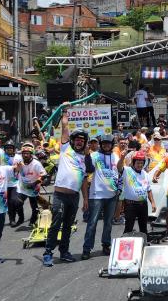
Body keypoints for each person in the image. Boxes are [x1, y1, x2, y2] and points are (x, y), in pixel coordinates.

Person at [43, 110, 89, 267]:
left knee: (68, 226)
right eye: (77, 140)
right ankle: (48, 253)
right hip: (60, 195)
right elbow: (64, 127)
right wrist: (65, 113)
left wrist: (86, 200)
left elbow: (83, 181)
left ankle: (64, 252)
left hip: (74, 197)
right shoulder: (65, 149)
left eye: (82, 141)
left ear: (84, 143)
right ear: (72, 141)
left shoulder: (85, 159)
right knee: (56, 224)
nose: (79, 142)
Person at [79, 134, 120, 260]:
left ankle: (106, 244)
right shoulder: (95, 155)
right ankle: (87, 248)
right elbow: (90, 169)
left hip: (112, 195)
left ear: (112, 145)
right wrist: (86, 155)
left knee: (108, 222)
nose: (106, 145)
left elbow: (118, 171)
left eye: (109, 143)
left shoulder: (115, 156)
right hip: (97, 195)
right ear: (101, 144)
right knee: (92, 222)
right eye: (104, 143)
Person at [117, 150, 156, 233]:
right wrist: (122, 158)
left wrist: (152, 203)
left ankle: (144, 244)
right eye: (138, 163)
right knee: (129, 228)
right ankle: (125, 245)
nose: (140, 165)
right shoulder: (127, 171)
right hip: (130, 205)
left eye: (141, 163)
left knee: (143, 228)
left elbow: (148, 190)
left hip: (143, 204)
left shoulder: (145, 174)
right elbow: (119, 167)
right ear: (133, 162)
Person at [18, 142, 47, 227]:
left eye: (27, 153)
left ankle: (33, 220)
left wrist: (35, 183)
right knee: (17, 203)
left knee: (33, 206)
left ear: (31, 154)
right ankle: (21, 218)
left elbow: (43, 175)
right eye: (24, 153)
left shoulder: (36, 163)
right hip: (23, 187)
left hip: (34, 187)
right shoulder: (20, 162)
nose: (25, 155)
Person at [0, 141, 25, 227]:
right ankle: (12, 220)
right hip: (5, 183)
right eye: (7, 148)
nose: (9, 149)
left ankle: (21, 216)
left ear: (14, 149)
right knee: (9, 203)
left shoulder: (18, 157)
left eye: (11, 148)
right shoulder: (2, 157)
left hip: (15, 183)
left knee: (15, 201)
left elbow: (22, 168)